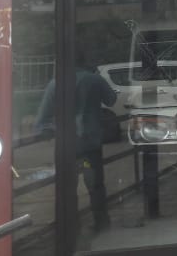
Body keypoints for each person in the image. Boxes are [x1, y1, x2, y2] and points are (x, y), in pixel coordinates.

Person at [35, 55, 117, 232]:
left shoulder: (55, 84)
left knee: (68, 187)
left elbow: (42, 119)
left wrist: (47, 130)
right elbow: (111, 100)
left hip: (67, 144)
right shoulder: (95, 79)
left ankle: (71, 226)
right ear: (83, 62)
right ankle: (101, 222)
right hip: (91, 142)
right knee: (95, 185)